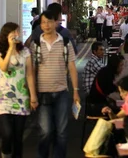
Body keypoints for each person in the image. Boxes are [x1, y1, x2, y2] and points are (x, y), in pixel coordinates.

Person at [31, 9, 79, 158]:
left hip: (62, 92)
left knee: (62, 132)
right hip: (43, 93)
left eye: (49, 22)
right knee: (45, 132)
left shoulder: (65, 43)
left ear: (56, 23)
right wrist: (32, 94)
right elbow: (31, 71)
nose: (46, 25)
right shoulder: (36, 44)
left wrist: (76, 91)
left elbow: (72, 67)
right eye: (43, 22)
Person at [0, 22, 38, 158]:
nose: (17, 35)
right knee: (7, 133)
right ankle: (5, 154)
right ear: (6, 35)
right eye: (14, 32)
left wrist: (33, 96)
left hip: (22, 98)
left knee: (18, 137)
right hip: (4, 100)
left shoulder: (25, 51)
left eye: (18, 32)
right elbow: (4, 67)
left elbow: (30, 74)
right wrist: (11, 48)